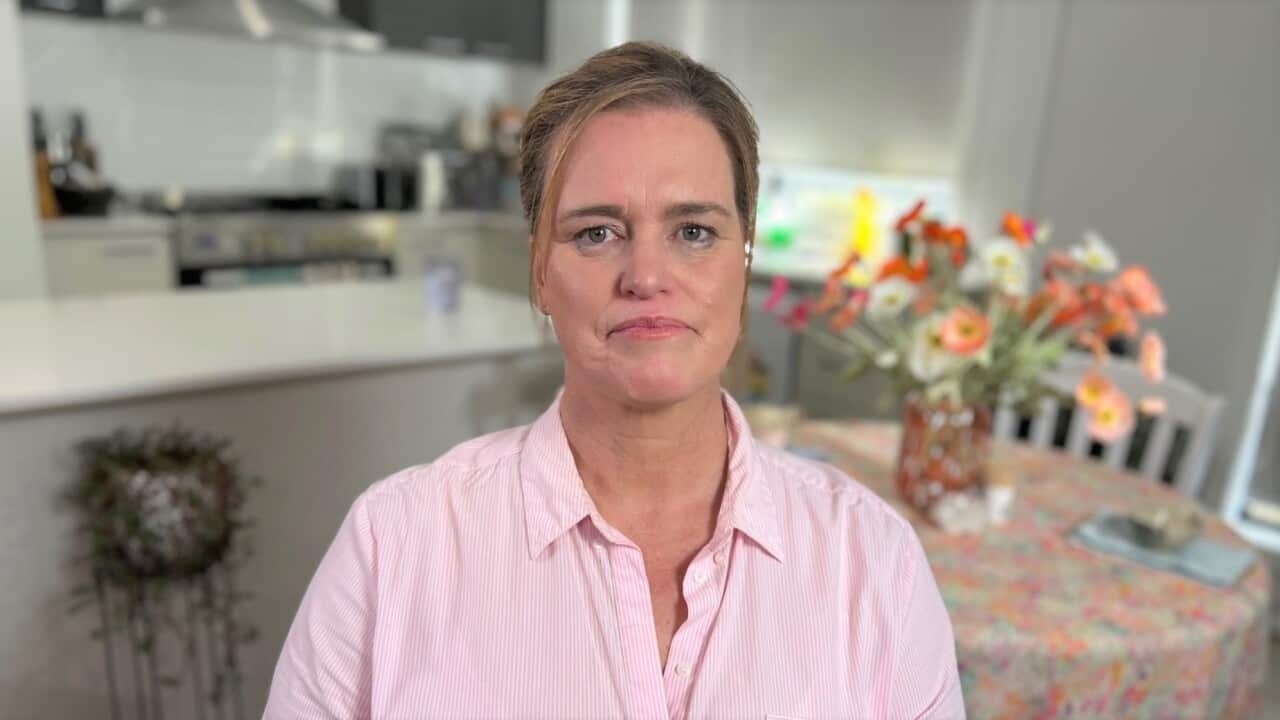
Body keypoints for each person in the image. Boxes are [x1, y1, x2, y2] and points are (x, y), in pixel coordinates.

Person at [264, 41, 964, 719]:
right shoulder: (394, 546)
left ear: (743, 267)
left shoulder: (872, 562)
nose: (647, 277)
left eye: (693, 231)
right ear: (540, 269)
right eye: (597, 232)